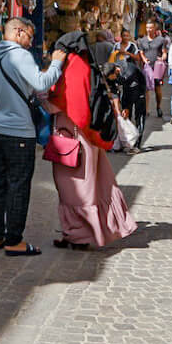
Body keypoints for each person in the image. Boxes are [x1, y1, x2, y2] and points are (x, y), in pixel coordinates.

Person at [0, 16, 67, 257]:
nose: (30, 42)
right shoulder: (20, 56)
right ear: (17, 32)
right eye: (29, 35)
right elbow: (41, 83)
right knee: (18, 186)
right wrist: (56, 64)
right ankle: (13, 240)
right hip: (19, 134)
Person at [46, 31, 138, 249]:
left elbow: (76, 105)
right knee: (88, 184)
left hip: (74, 134)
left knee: (75, 186)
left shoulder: (73, 65)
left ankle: (82, 235)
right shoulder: (83, 63)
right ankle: (78, 233)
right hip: (84, 135)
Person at [139, 20, 169, 118]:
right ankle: (147, 109)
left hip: (157, 66)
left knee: (157, 88)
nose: (149, 30)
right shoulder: (142, 40)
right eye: (147, 27)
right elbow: (141, 52)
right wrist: (144, 60)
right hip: (147, 67)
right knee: (147, 88)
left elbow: (164, 52)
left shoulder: (161, 40)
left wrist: (163, 58)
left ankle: (158, 107)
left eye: (151, 27)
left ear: (155, 29)